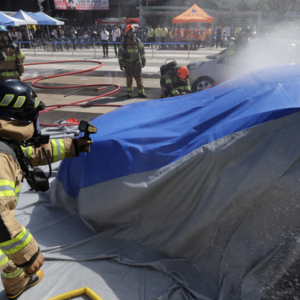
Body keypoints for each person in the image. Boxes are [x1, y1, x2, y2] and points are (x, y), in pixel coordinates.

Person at [0, 79, 93, 299]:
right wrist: (29, 254)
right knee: (9, 245)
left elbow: (32, 154)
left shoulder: (6, 144)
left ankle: (16, 283)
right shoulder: (1, 158)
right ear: (21, 118)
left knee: (5, 253)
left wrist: (74, 146)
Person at [118, 24, 146, 98]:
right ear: (127, 33)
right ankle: (129, 92)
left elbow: (142, 51)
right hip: (127, 64)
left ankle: (141, 93)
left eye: (133, 33)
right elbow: (120, 54)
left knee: (139, 78)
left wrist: (143, 61)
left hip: (136, 63)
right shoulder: (124, 42)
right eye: (131, 33)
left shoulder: (137, 40)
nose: (132, 34)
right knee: (129, 79)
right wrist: (121, 63)